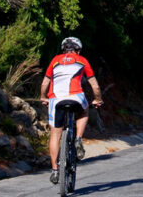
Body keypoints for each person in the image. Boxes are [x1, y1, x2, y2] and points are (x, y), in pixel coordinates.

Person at [40, 37, 103, 184]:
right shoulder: (82, 60)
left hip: (56, 99)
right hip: (76, 97)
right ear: (78, 50)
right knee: (85, 109)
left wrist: (43, 97)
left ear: (63, 49)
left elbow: (45, 83)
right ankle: (78, 138)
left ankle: (55, 170)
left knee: (55, 134)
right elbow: (95, 86)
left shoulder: (55, 60)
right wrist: (97, 99)